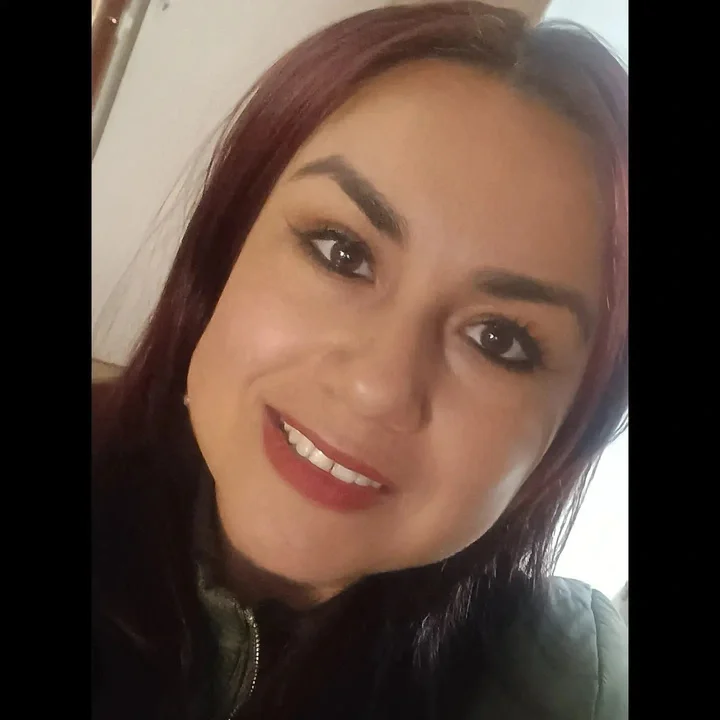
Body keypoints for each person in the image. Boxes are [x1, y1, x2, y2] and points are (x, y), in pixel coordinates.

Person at [91, 2, 628, 719]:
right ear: (225, 250)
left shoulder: (574, 686)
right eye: (341, 252)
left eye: (499, 338)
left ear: (570, 430)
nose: (378, 385)